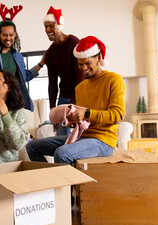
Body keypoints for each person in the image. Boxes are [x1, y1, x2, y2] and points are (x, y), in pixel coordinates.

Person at [26, 36, 125, 164]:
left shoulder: (113, 79)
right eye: (80, 64)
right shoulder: (80, 87)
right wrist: (73, 121)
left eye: (87, 63)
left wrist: (86, 112)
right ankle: (50, 180)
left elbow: (117, 116)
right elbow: (83, 120)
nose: (83, 68)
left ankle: (64, 183)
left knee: (61, 153)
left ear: (98, 58)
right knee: (33, 146)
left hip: (103, 141)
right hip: (81, 137)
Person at [0, 1, 45, 112]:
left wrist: (41, 64)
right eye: (5, 35)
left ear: (15, 34)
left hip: (14, 101)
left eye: (11, 34)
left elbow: (24, 76)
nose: (8, 38)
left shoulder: (17, 56)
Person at [43, 6, 84, 136]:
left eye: (51, 26)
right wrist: (52, 108)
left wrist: (73, 104)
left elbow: (80, 78)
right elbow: (52, 83)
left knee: (81, 134)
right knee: (61, 137)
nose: (48, 30)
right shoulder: (50, 53)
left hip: (79, 96)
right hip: (63, 98)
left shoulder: (73, 43)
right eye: (46, 26)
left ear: (59, 25)